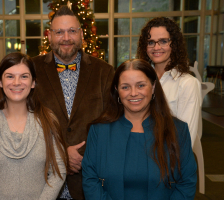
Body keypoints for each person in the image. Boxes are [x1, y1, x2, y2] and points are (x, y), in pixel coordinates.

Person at [82, 59, 197, 199]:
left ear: (153, 87)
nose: (134, 93)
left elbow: (187, 183)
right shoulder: (99, 131)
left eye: (141, 85)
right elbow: (90, 180)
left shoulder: (178, 130)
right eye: (125, 87)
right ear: (117, 90)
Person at [32, 5, 114, 199]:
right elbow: (24, 120)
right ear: (50, 36)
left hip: (90, 180)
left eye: (72, 31)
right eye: (59, 32)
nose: (66, 38)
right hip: (44, 180)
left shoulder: (104, 72)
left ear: (81, 35)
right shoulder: (31, 69)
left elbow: (110, 122)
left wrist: (80, 156)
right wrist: (60, 155)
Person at [0, 52, 68, 200]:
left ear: (33, 82)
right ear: (0, 82)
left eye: (24, 76)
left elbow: (58, 170)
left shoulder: (47, 119)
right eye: (10, 76)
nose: (17, 82)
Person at [136, 17, 201, 147]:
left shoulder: (187, 84)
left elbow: (186, 138)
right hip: (137, 149)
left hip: (166, 158)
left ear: (174, 44)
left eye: (163, 41)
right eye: (150, 42)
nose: (156, 47)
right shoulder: (140, 80)